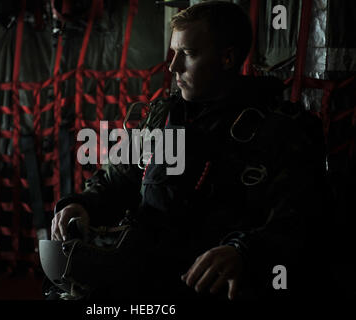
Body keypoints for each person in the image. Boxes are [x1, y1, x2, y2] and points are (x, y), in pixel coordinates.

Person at [49, 1, 327, 301]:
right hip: (148, 275)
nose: (173, 67)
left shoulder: (279, 130)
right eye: (174, 52)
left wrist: (244, 252)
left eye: (189, 54)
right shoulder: (163, 118)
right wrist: (82, 204)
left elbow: (303, 221)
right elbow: (116, 180)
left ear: (228, 58)